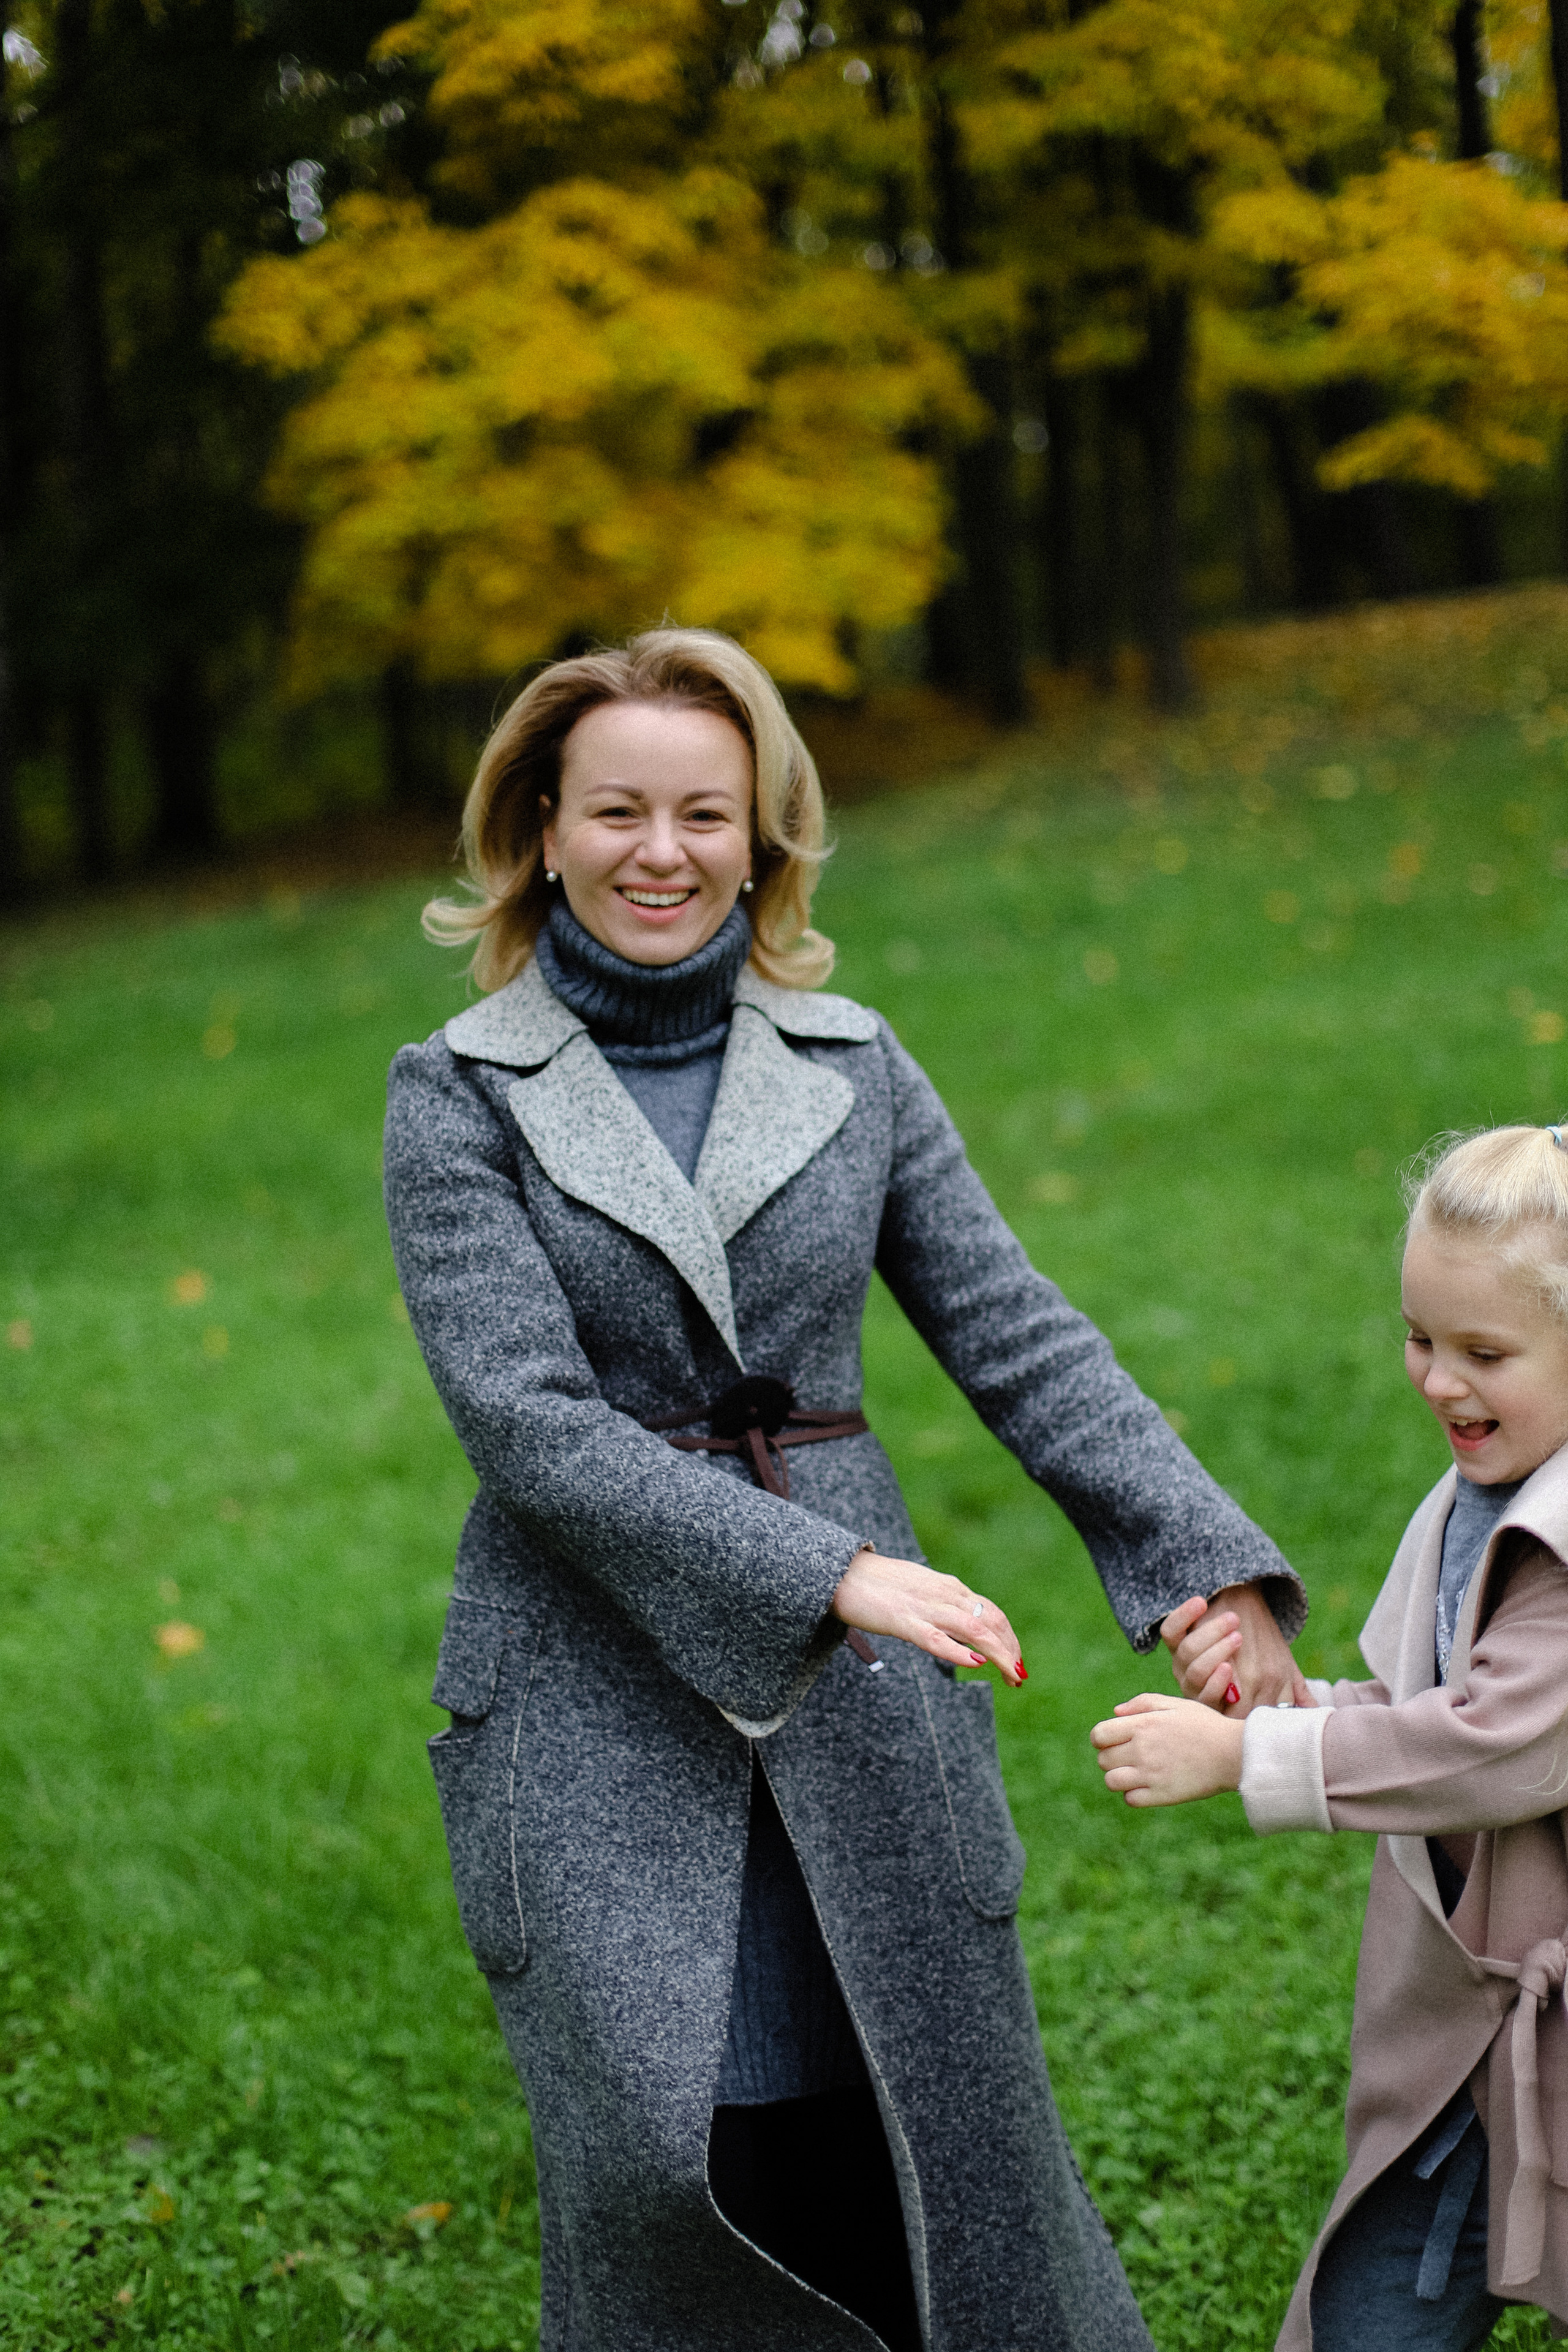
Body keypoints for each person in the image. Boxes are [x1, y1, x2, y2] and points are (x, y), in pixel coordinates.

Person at [383, 625, 1306, 2352]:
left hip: (866, 1705)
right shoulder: (455, 1097)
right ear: (540, 829)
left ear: (765, 834)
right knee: (681, 2157)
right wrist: (828, 1574)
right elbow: (528, 1425)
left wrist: (1204, 1567)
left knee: (930, 2136)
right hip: (594, 1680)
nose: (662, 854)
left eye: (706, 815)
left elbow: (1018, 1334)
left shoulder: (854, 1064)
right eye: (618, 813)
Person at [1093, 1123, 1568, 2351]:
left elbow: (1497, 1748)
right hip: (1465, 2035)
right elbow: (1431, 1718)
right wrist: (1289, 1710)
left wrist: (1246, 1764)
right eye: (1418, 1339)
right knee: (1378, 2301)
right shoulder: (1485, 1488)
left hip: (1533, 2021)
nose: (1435, 1381)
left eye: (1481, 1352)